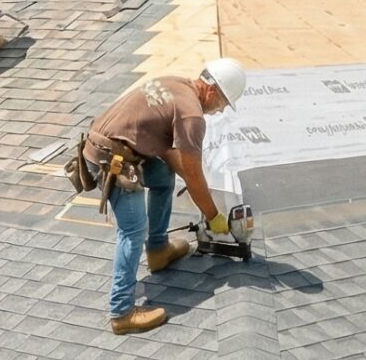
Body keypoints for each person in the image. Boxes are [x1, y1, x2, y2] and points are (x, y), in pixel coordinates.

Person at [81, 59, 247, 334]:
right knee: (132, 231)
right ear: (212, 91)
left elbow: (168, 153)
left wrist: (197, 185)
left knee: (161, 177)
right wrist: (213, 216)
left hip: (109, 145)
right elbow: (193, 176)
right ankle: (121, 312)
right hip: (112, 160)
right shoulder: (192, 116)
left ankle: (158, 250)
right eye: (223, 104)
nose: (220, 111)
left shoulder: (176, 84)